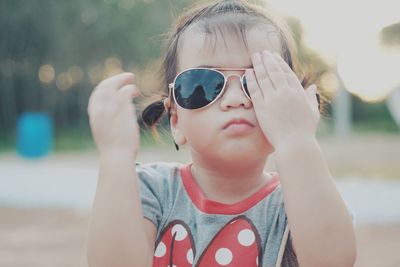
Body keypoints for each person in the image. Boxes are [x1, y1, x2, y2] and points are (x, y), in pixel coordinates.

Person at [86, 0, 356, 266]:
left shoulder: (302, 198)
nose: (236, 99)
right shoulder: (150, 190)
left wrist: (296, 139)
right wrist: (116, 157)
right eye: (203, 83)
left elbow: (332, 260)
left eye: (258, 81)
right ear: (176, 120)